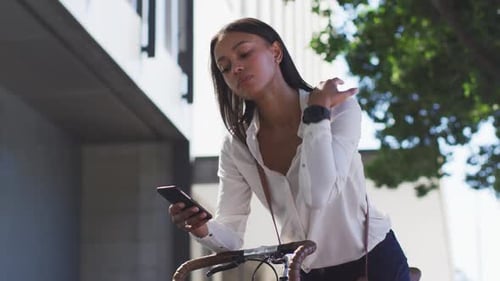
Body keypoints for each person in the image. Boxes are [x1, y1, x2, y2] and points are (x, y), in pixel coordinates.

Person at [169, 17, 410, 281]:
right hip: (305, 271)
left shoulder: (339, 109)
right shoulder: (237, 145)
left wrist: (317, 115)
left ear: (276, 52)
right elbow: (231, 236)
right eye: (224, 67)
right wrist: (202, 228)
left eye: (245, 53)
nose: (236, 68)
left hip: (372, 262)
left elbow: (319, 194)